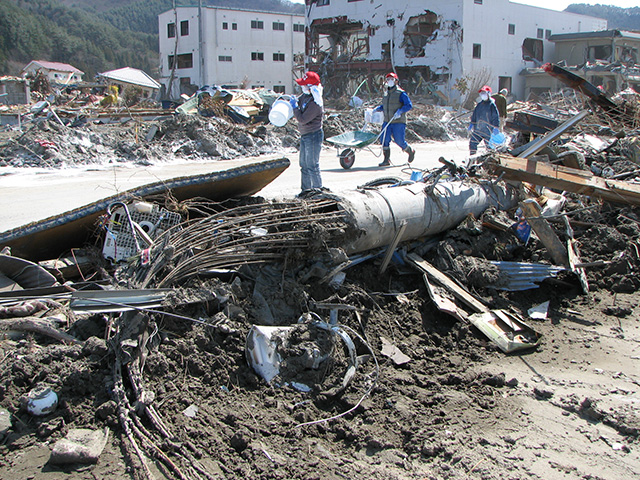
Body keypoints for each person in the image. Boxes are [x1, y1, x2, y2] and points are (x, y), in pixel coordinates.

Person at [289, 71, 325, 195]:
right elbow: (298, 103)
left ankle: (318, 191)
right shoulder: (305, 96)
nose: (302, 87)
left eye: (305, 85)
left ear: (311, 87)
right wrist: (292, 102)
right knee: (303, 164)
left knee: (312, 164)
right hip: (305, 135)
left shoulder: (316, 103)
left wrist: (294, 108)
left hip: (313, 135)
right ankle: (306, 191)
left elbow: (302, 119)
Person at [373, 72, 415, 167]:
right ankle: (386, 160)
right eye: (388, 79)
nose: (390, 81)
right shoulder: (386, 93)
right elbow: (386, 105)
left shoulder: (401, 93)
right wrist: (378, 108)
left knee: (399, 141)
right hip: (387, 120)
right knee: (384, 139)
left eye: (392, 79)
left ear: (396, 81)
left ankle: (410, 151)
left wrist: (400, 111)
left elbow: (409, 105)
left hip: (398, 121)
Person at [468, 85, 500, 155]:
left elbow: (495, 116)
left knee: (490, 148)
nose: (483, 95)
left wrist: (496, 127)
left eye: (484, 93)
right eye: (482, 93)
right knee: (472, 144)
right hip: (478, 129)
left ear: (488, 94)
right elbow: (475, 115)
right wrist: (472, 123)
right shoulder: (479, 105)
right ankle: (472, 159)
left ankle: (490, 160)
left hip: (488, 130)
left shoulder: (491, 105)